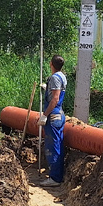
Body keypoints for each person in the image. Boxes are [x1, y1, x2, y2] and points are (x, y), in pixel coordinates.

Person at [37, 55, 67, 187]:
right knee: (58, 144)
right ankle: (57, 175)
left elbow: (55, 99)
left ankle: (54, 178)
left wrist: (45, 115)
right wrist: (47, 89)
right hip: (59, 114)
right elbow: (56, 93)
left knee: (52, 146)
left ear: (51, 64)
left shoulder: (55, 78)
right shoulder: (62, 76)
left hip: (53, 115)